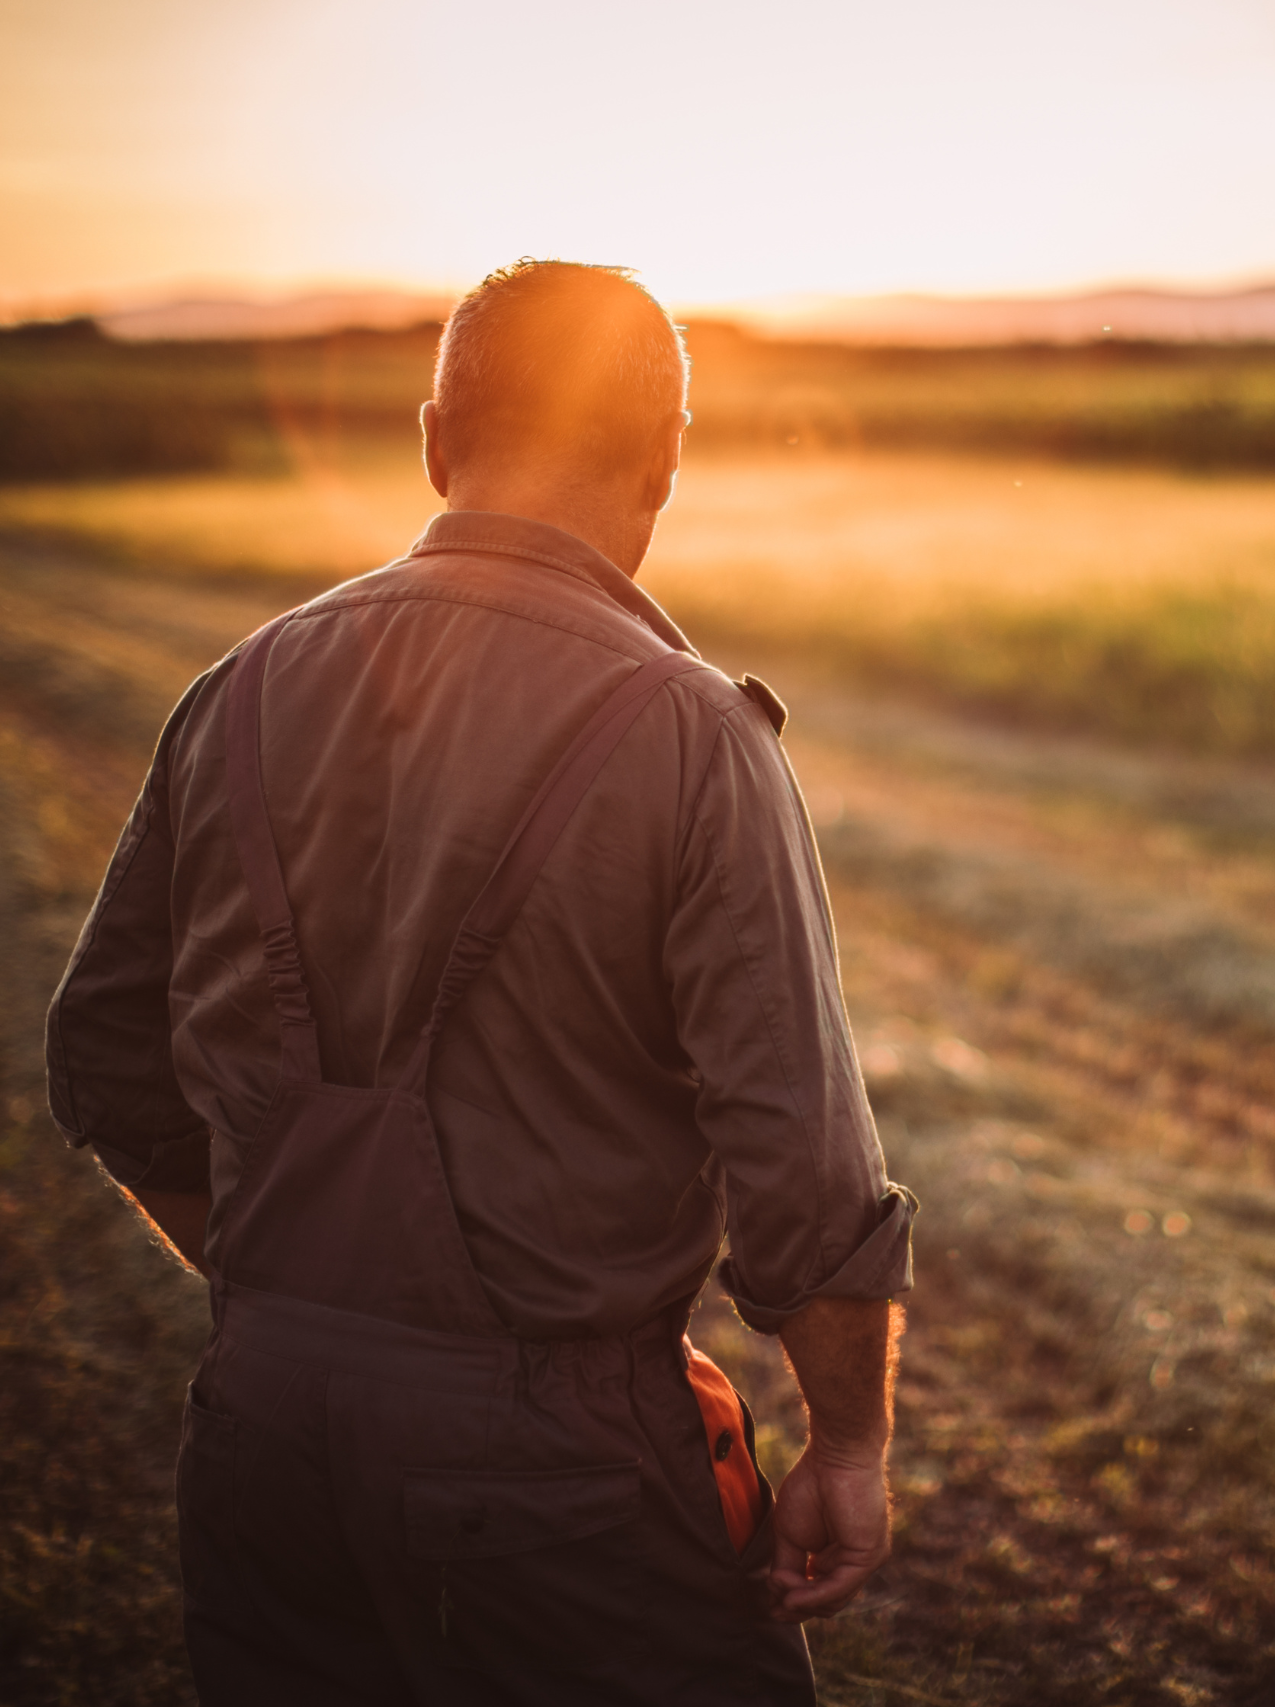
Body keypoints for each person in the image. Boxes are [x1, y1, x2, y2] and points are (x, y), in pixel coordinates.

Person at [43, 259, 915, 1705]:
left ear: (436, 439)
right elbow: (802, 1169)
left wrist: (313, 1292)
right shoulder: (696, 736)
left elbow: (107, 1064)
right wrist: (849, 1445)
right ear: (667, 464)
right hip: (561, 1473)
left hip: (261, 1428)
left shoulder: (238, 688)